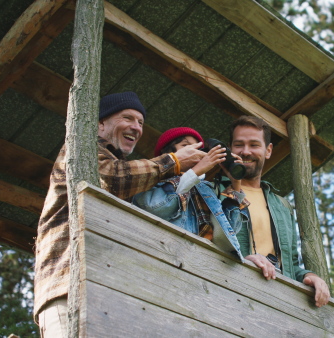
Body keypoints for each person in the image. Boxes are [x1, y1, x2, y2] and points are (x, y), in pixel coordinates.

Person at [34, 92, 206, 337]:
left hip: (107, 283)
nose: (136, 127)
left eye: (141, 123)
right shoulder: (80, 149)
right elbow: (111, 177)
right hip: (67, 283)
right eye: (128, 118)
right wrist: (174, 162)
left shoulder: (128, 171)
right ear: (100, 123)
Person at [225, 115, 330, 307]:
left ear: (268, 150)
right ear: (230, 149)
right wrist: (243, 259)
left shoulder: (282, 206)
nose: (245, 151)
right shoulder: (214, 191)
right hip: (229, 290)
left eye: (254, 145)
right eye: (239, 144)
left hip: (280, 302)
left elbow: (291, 264)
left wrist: (311, 276)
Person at [132, 127, 249, 260]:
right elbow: (153, 207)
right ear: (168, 152)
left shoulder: (206, 189)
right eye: (186, 145)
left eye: (198, 149)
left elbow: (231, 231)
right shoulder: (152, 179)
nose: (194, 151)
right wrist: (194, 173)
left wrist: (236, 184)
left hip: (203, 263)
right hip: (167, 256)